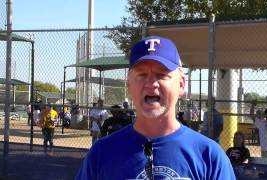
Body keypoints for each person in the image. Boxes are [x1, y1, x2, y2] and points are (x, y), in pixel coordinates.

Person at [76, 36, 235, 179]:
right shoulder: (102, 154)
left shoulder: (209, 156)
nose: (151, 84)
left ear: (181, 84)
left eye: (162, 74)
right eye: (141, 75)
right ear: (129, 85)